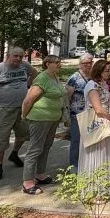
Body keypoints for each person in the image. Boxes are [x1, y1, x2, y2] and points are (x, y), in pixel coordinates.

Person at [0, 46, 38, 181]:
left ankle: (14, 154)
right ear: (9, 56)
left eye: (21, 56)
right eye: (15, 56)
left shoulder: (25, 66)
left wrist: (29, 85)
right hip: (3, 109)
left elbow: (35, 74)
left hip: (22, 108)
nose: (18, 59)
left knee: (24, 134)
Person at [78, 60, 110, 197]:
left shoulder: (103, 84)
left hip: (106, 122)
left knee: (108, 154)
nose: (108, 73)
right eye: (106, 70)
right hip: (96, 124)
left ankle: (109, 184)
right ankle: (95, 190)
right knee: (98, 155)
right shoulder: (92, 85)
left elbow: (106, 104)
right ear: (99, 71)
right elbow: (97, 108)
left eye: (109, 70)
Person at [20, 55, 64, 195]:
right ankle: (27, 182)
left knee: (46, 146)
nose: (59, 65)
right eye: (56, 62)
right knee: (35, 149)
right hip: (40, 119)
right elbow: (28, 100)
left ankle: (40, 174)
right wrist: (24, 115)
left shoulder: (55, 78)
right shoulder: (42, 78)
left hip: (52, 119)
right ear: (47, 64)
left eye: (59, 62)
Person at [65, 53, 93, 172]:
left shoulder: (93, 76)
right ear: (80, 64)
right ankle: (74, 165)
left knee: (89, 139)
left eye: (89, 63)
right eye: (85, 63)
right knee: (76, 140)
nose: (87, 65)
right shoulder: (74, 78)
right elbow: (67, 97)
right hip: (77, 114)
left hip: (91, 113)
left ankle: (87, 162)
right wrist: (66, 112)